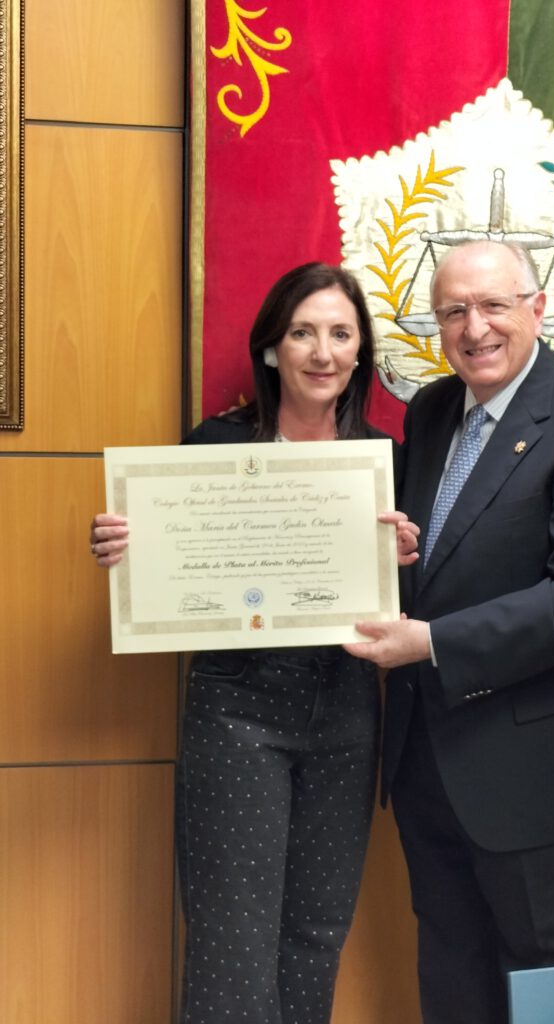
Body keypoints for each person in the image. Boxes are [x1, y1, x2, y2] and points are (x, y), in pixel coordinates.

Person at [90, 262, 418, 1024]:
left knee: (316, 935)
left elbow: (412, 603)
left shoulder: (384, 461)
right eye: (302, 333)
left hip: (346, 714)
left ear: (361, 352)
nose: (322, 352)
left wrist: (406, 557)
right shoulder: (215, 445)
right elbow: (164, 556)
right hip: (236, 713)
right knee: (231, 944)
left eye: (341, 335)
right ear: (272, 347)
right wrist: (122, 544)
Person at [345, 240, 554, 1024]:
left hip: (545, 778)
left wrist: (432, 643)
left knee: (551, 998)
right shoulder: (432, 410)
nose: (474, 328)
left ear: (538, 308)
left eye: (493, 306)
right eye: (454, 311)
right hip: (432, 764)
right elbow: (436, 555)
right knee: (453, 984)